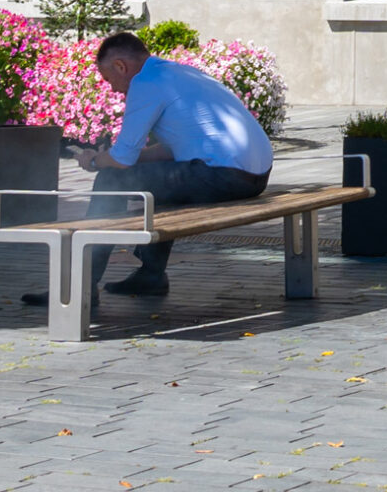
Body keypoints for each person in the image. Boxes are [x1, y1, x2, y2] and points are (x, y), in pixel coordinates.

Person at [29, 31, 273, 302]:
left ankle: (80, 286)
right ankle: (151, 275)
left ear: (121, 66)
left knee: (110, 180)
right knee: (163, 180)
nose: (113, 90)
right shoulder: (179, 73)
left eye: (109, 79)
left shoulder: (145, 82)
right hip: (254, 177)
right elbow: (168, 151)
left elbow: (121, 159)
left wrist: (95, 161)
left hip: (223, 176)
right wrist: (117, 157)